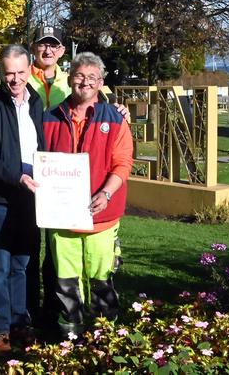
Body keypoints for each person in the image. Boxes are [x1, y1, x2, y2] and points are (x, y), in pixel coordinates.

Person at [42, 52, 133, 337]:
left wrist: (106, 193)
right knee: (66, 282)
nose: (85, 82)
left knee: (101, 279)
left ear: (101, 82)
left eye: (92, 77)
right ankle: (72, 336)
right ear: (70, 79)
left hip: (102, 216)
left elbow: (123, 163)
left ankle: (104, 338)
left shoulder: (115, 119)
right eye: (80, 76)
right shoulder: (49, 118)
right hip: (62, 219)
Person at [0, 45, 44, 356]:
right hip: (1, 197)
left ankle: (22, 323)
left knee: (25, 264)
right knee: (1, 267)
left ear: (29, 70)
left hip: (32, 198)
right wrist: (17, 176)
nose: (15, 79)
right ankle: (1, 329)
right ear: (0, 73)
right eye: (8, 73)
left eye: (20, 72)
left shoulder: (38, 102)